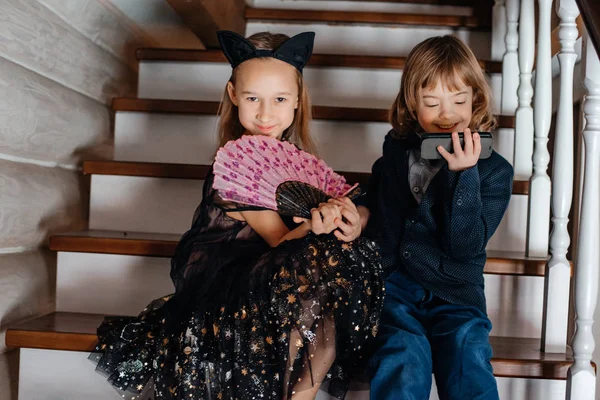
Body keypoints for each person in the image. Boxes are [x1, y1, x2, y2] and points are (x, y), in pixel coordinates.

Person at [89, 30, 384, 400]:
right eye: (252, 98)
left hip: (276, 283)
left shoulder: (293, 161)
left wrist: (353, 217)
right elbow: (280, 240)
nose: (265, 112)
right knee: (321, 255)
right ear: (233, 95)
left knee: (342, 260)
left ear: (297, 100)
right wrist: (314, 225)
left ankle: (301, 396)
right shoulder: (233, 169)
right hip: (226, 286)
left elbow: (354, 202)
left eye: (279, 99)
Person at [359, 35, 514, 400]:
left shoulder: (495, 173)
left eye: (458, 100)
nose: (446, 114)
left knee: (467, 358)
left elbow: (464, 246)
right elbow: (378, 197)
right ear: (413, 104)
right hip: (397, 284)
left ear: (475, 98)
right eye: (432, 103)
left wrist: (464, 175)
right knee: (401, 352)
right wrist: (360, 210)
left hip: (456, 289)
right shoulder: (395, 152)